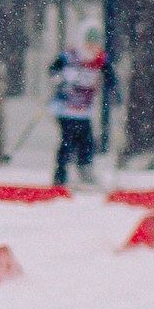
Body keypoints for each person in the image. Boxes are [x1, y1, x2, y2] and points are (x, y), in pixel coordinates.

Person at [50, 18, 106, 186]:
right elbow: (53, 69)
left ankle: (85, 171)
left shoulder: (100, 60)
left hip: (84, 110)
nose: (92, 48)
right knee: (68, 140)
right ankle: (60, 176)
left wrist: (113, 88)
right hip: (65, 108)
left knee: (87, 141)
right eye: (89, 43)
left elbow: (109, 75)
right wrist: (58, 78)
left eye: (95, 44)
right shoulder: (70, 56)